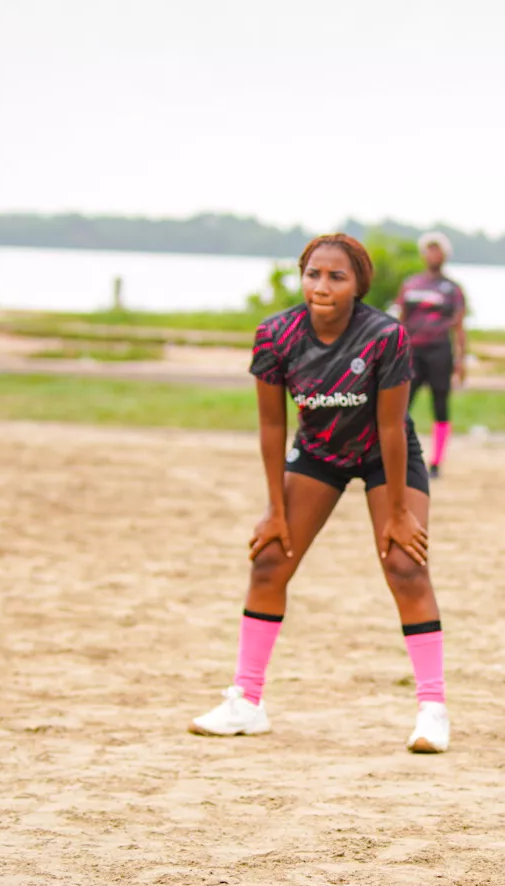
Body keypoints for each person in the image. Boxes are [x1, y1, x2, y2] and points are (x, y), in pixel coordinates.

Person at [188, 233, 451, 753]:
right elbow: (269, 426)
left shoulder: (385, 336)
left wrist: (398, 511)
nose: (322, 285)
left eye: (337, 276)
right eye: (313, 274)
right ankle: (247, 700)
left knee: (405, 564)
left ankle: (432, 710)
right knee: (268, 560)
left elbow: (394, 427)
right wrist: (274, 509)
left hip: (384, 452)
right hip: (318, 452)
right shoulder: (275, 334)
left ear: (359, 285)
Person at [397, 231, 467, 478]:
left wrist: (461, 360)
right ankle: (400, 456)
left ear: (444, 255)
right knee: (401, 404)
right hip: (413, 351)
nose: (433, 254)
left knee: (440, 404)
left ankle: (436, 462)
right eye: (429, 249)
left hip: (440, 350)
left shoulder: (452, 289)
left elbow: (459, 326)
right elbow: (401, 320)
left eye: (437, 250)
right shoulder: (411, 284)